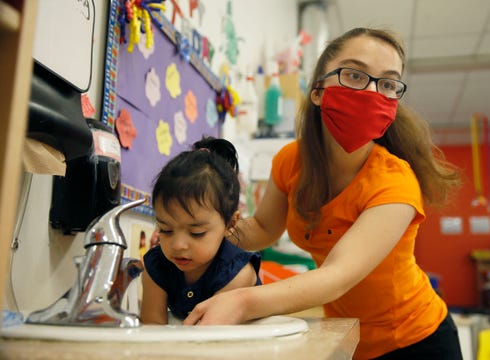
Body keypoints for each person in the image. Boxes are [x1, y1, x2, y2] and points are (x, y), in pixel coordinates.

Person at [184, 28, 464, 359]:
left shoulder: (395, 181)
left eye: (388, 83)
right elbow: (262, 228)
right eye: (355, 75)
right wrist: (197, 233)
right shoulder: (291, 160)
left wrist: (241, 302)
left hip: (418, 340)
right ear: (318, 91)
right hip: (348, 338)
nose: (372, 92)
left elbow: (337, 276)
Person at [140, 136, 262, 324]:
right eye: (165, 229)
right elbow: (151, 329)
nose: (178, 245)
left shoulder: (237, 273)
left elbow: (208, 338)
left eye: (196, 233)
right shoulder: (156, 266)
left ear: (230, 224)